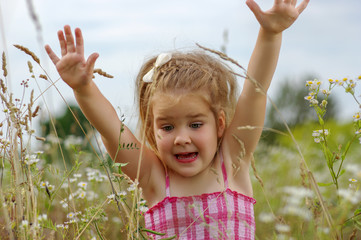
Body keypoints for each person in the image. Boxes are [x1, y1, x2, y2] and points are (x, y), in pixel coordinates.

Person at [45, 0, 309, 239]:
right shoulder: (153, 178)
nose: (182, 138)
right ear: (151, 129)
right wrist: (84, 89)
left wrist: (271, 34)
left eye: (195, 124)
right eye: (168, 127)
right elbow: (114, 133)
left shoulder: (233, 163)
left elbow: (254, 93)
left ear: (219, 124)